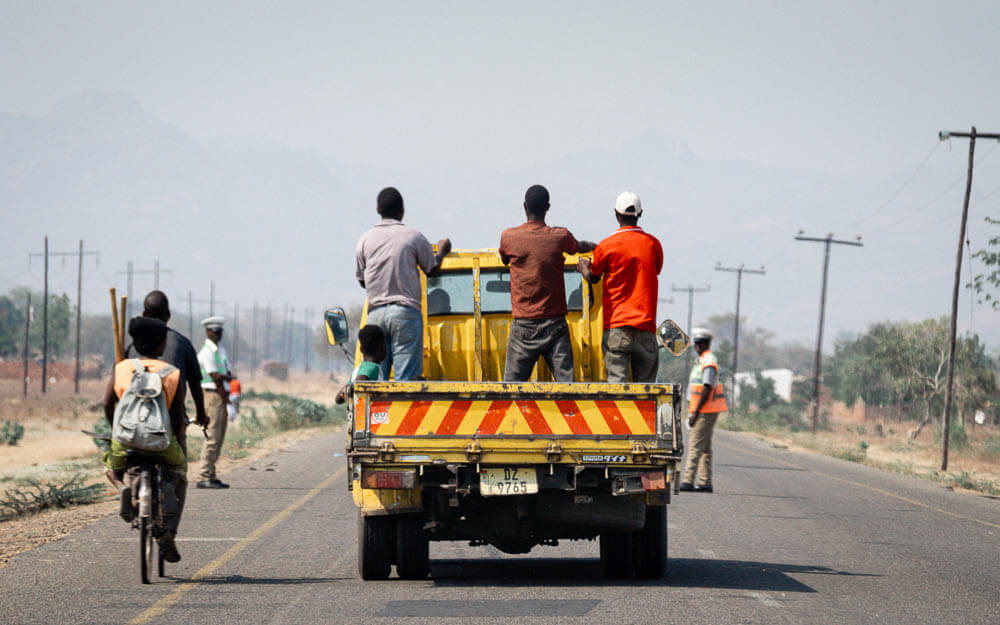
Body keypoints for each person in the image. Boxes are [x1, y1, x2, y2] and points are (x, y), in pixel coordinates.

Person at [103, 317, 187, 563]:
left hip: (125, 439)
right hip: (161, 440)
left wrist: (116, 429)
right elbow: (178, 417)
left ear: (135, 344)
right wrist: (179, 445)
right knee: (180, 472)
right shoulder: (172, 374)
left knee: (111, 469)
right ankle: (169, 530)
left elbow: (108, 403)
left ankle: (123, 488)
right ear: (162, 346)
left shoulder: (121, 368)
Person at [498, 184, 595, 382]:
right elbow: (578, 247)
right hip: (555, 325)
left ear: (525, 207)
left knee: (511, 391)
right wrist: (598, 247)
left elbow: (504, 258)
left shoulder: (509, 237)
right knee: (567, 389)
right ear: (548, 207)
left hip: (523, 326)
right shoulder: (560, 236)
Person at [355, 187, 451, 381]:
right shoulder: (413, 237)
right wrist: (442, 251)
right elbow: (431, 270)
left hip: (375, 315)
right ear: (401, 211)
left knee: (376, 379)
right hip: (405, 312)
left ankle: (378, 412)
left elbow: (363, 280)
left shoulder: (365, 240)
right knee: (406, 380)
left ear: (378, 209)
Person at [578, 191, 664, 383]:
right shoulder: (653, 244)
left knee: (618, 393)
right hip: (646, 329)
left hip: (617, 328)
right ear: (640, 214)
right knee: (645, 394)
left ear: (616, 214)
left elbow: (594, 277)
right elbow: (656, 269)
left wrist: (584, 268)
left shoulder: (606, 246)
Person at [124, 290, 209, 454]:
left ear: (144, 314)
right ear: (168, 315)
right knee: (179, 465)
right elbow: (195, 383)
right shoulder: (181, 343)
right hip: (172, 417)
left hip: (133, 419)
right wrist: (201, 414)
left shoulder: (133, 347)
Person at [680, 328, 728, 492]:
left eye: (700, 343)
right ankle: (705, 482)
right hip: (704, 409)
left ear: (707, 344)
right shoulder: (702, 361)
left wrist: (696, 413)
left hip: (705, 410)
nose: (697, 346)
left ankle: (687, 480)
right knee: (704, 447)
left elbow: (707, 388)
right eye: (696, 343)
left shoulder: (708, 360)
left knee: (695, 445)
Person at [196, 316, 234, 489]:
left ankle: (211, 474)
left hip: (221, 394)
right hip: (213, 394)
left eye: (220, 331)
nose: (218, 334)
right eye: (215, 331)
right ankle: (204, 474)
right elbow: (216, 377)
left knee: (219, 436)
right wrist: (226, 398)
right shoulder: (207, 352)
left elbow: (227, 373)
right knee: (212, 436)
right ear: (208, 332)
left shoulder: (221, 351)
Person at [336, 325, 387, 404]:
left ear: (361, 350)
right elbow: (359, 381)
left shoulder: (358, 369)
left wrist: (344, 392)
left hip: (356, 414)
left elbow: (338, 399)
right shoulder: (373, 367)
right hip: (369, 414)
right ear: (382, 348)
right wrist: (352, 387)